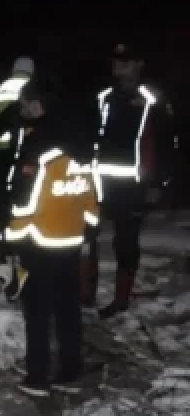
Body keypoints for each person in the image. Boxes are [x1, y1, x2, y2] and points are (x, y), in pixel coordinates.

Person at [0, 75, 98, 397]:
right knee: (68, 309)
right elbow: (91, 197)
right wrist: (85, 231)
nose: (22, 110)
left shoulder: (38, 145)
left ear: (37, 104)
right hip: (70, 240)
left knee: (37, 311)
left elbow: (26, 202)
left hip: (38, 241)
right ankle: (70, 372)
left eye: (25, 104)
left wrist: (11, 237)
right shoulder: (80, 146)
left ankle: (37, 376)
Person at [85, 43, 173, 317]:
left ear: (138, 65)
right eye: (115, 61)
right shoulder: (103, 97)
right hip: (98, 182)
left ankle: (121, 298)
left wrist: (159, 182)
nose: (118, 67)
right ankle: (84, 295)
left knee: (125, 243)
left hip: (133, 185)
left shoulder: (152, 100)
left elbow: (167, 143)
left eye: (125, 62)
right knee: (87, 238)